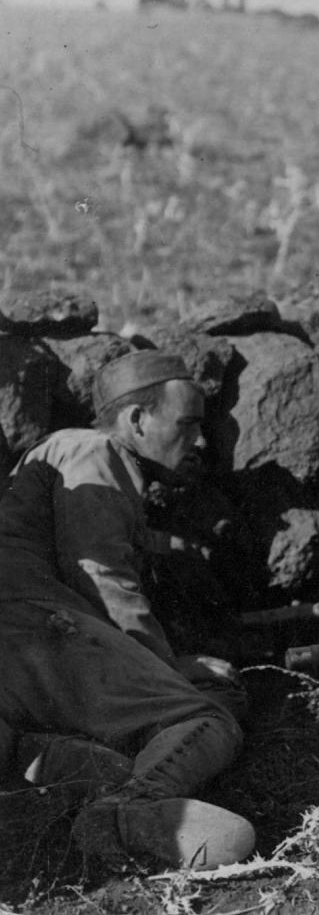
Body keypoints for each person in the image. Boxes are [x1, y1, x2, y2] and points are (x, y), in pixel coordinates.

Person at [0, 352, 254, 868]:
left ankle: (41, 762)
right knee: (207, 716)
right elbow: (103, 579)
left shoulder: (69, 454)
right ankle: (126, 810)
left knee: (114, 751)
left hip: (21, 645)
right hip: (39, 627)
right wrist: (166, 666)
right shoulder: (94, 449)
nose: (201, 441)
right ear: (136, 419)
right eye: (188, 423)